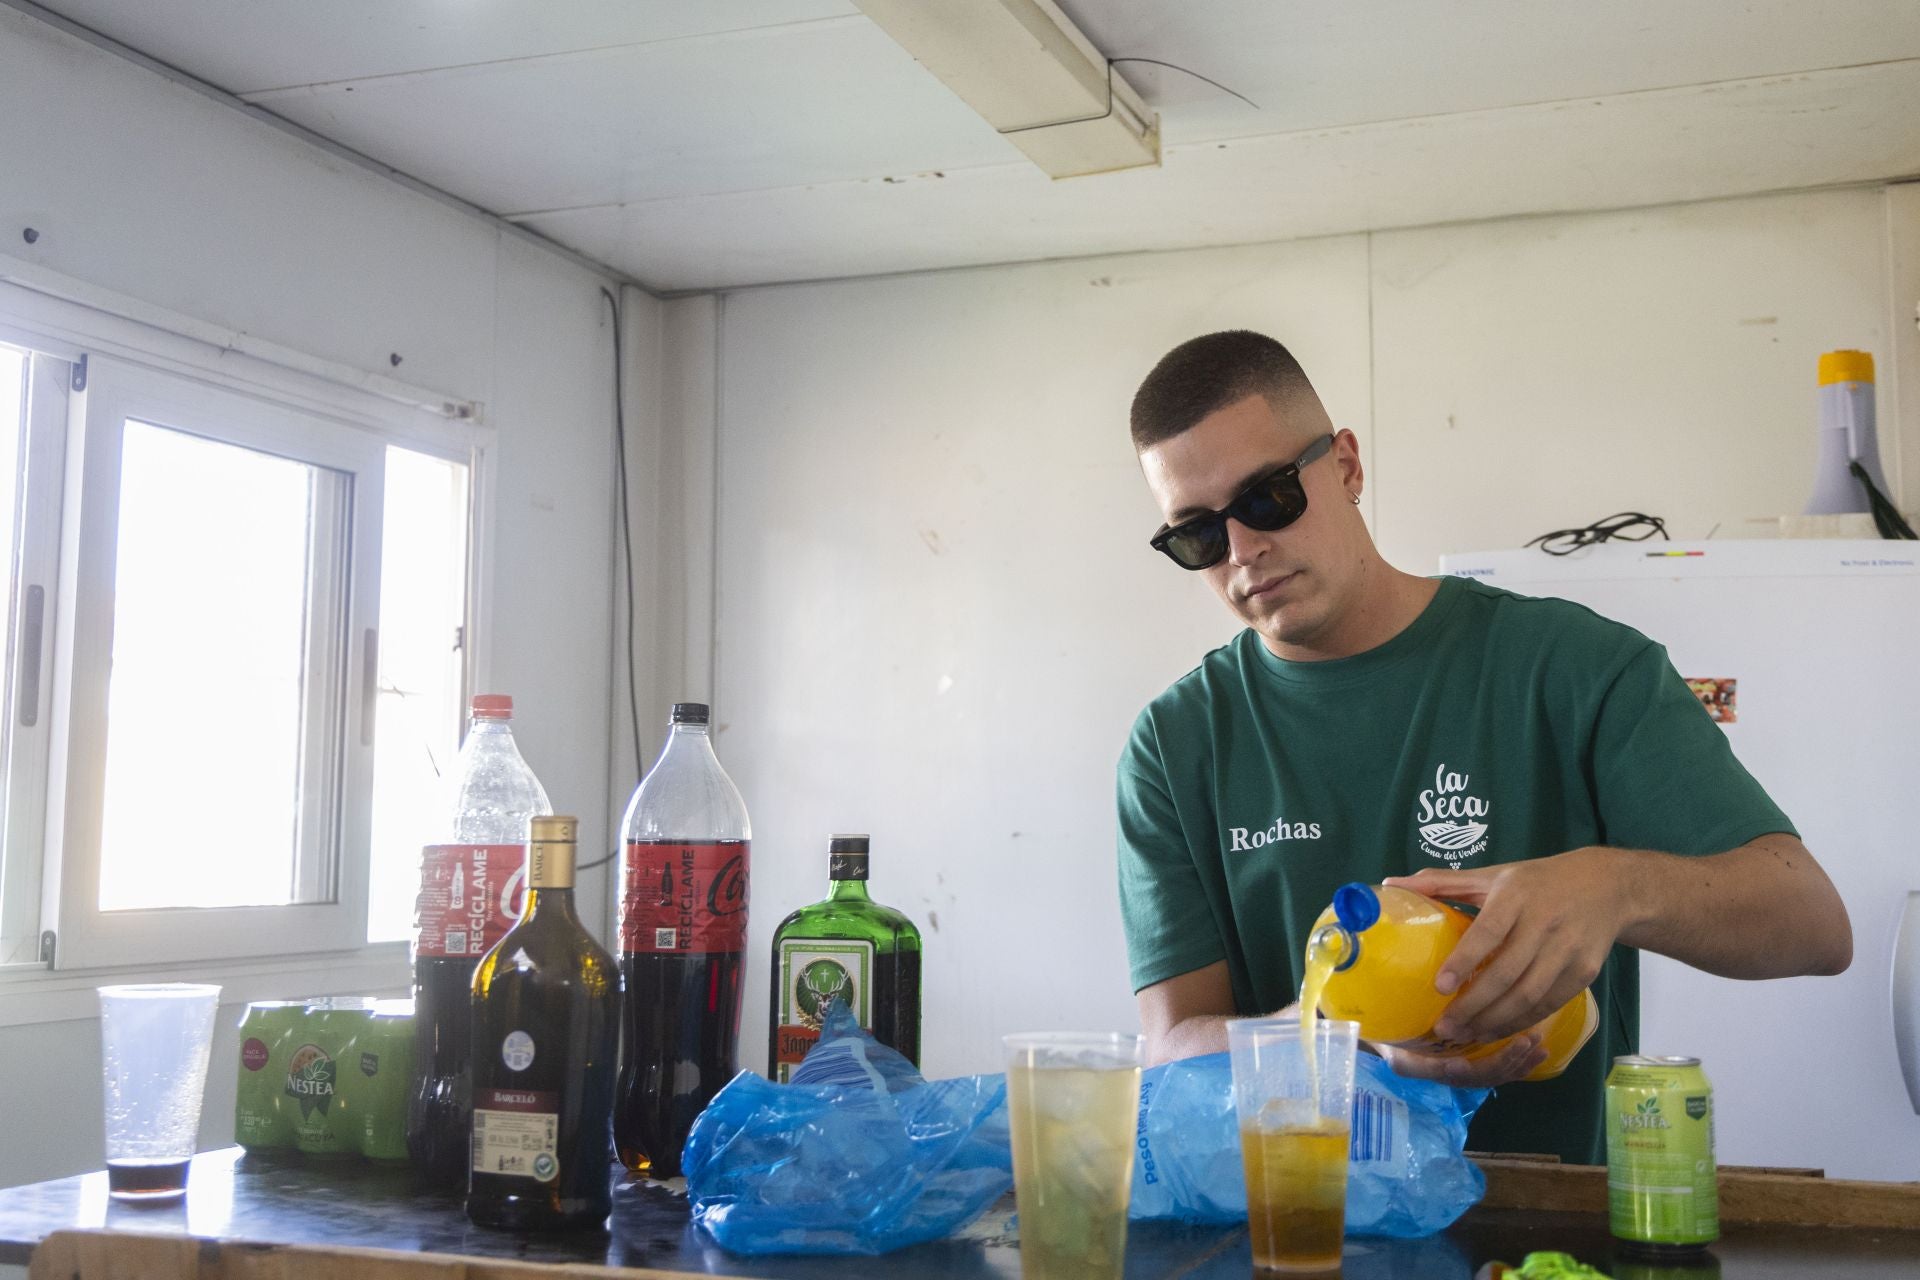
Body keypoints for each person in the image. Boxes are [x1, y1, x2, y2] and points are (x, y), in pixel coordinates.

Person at [1115, 330, 1852, 1163]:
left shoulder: (1572, 669)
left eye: (1268, 498)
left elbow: (1814, 924)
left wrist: (1617, 886)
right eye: (1197, 535)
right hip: (1304, 1216)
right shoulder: (1175, 745)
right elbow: (1169, 1046)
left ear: (1347, 466)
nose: (1242, 550)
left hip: (1551, 1217)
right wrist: (1349, 1038)